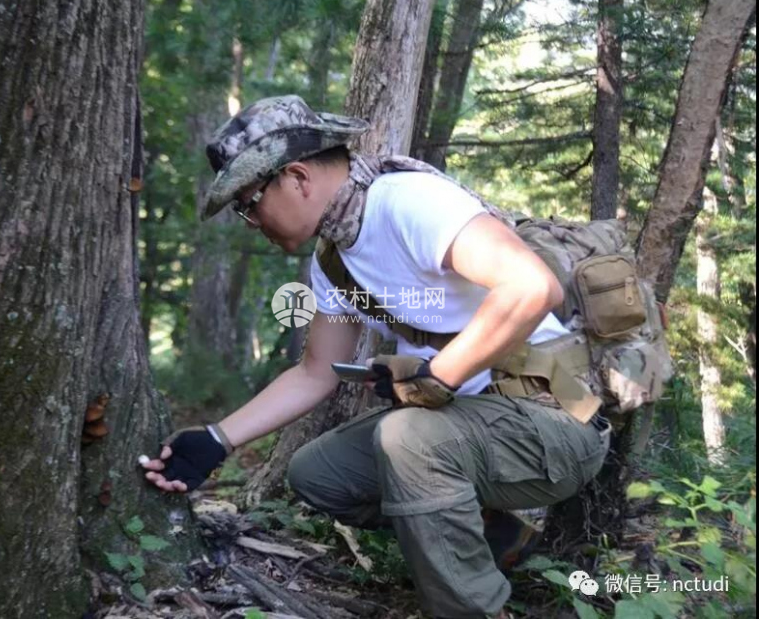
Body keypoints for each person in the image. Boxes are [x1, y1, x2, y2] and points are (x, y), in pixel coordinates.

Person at [142, 95, 611, 619]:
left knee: (406, 438)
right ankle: (492, 536)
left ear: (296, 178)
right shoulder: (335, 260)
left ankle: (474, 609)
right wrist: (216, 438)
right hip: (465, 427)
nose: (249, 221)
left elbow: (532, 287)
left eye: (249, 203)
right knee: (317, 474)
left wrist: (437, 376)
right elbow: (315, 372)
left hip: (552, 421)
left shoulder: (409, 202)